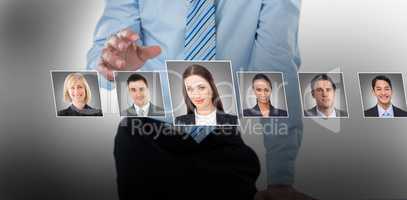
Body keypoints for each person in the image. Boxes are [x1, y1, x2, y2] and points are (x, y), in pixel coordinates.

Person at [87, 0, 315, 199]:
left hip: (221, 140)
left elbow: (275, 71)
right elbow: (101, 59)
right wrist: (113, 66)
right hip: (145, 139)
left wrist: (281, 179)